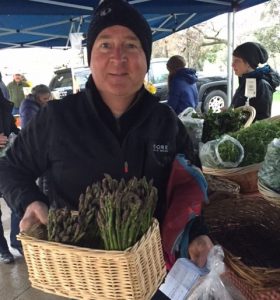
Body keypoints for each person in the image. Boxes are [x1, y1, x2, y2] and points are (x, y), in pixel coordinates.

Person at [0, 0, 213, 273]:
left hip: (151, 272)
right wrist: (30, 200)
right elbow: (9, 167)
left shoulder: (166, 122)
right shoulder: (56, 118)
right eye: (105, 45)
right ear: (90, 57)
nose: (118, 57)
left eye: (131, 45)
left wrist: (196, 232)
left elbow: (189, 187)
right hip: (80, 276)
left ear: (146, 57)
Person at [231, 42, 280, 120]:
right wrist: (229, 114)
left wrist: (235, 118)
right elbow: (244, 109)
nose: (232, 64)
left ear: (248, 63)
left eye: (237, 61)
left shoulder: (262, 85)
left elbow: (261, 120)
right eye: (233, 60)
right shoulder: (246, 80)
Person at [0, 89, 21, 264]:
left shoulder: (4, 105)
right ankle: (3, 249)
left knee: (17, 202)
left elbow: (13, 128)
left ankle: (18, 240)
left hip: (7, 162)